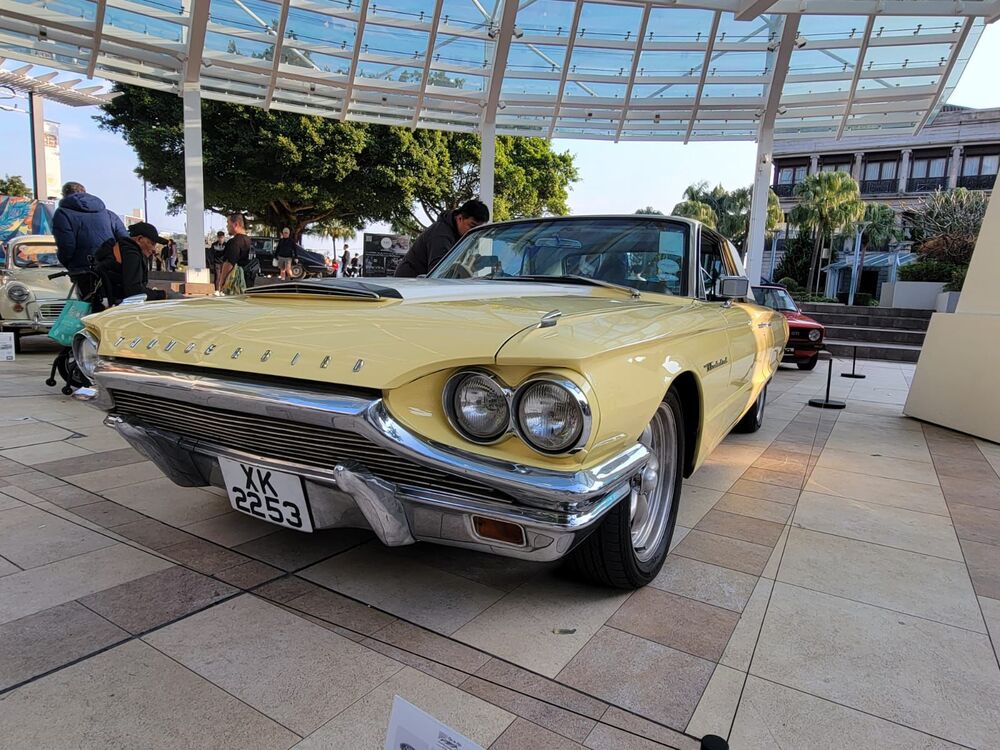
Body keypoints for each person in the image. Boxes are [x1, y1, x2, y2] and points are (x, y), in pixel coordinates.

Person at [51, 181, 128, 301]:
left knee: (88, 304)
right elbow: (125, 240)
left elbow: (66, 245)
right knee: (112, 302)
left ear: (65, 195)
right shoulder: (109, 214)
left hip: (83, 270)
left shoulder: (62, 214)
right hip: (111, 268)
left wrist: (68, 263)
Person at [394, 199, 489, 277]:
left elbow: (466, 264)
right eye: (472, 226)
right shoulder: (441, 235)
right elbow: (438, 273)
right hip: (410, 284)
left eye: (479, 229)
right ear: (460, 218)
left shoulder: (461, 236)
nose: (475, 233)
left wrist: (486, 262)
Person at [93, 222, 169, 305]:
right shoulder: (131, 253)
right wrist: (162, 295)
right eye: (152, 243)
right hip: (116, 305)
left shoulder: (122, 247)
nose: (154, 249)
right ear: (140, 239)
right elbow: (134, 292)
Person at [217, 212, 256, 294]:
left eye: (228, 223)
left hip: (235, 286)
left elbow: (229, 264)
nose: (227, 226)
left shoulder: (234, 242)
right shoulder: (250, 241)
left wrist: (221, 281)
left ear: (235, 224)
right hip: (249, 283)